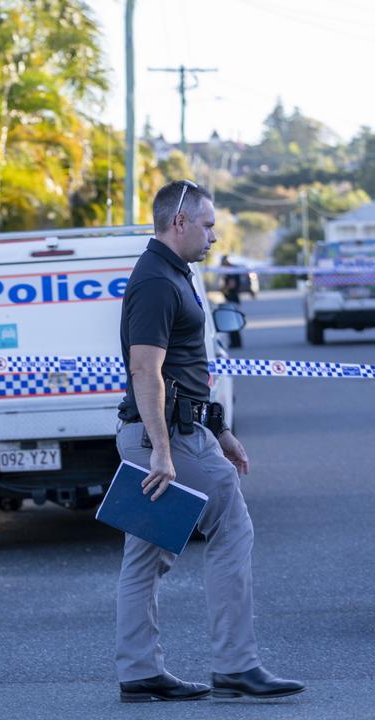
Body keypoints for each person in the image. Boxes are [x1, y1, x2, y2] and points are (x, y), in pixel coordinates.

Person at [114, 180, 303, 703]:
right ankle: (237, 666)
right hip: (169, 436)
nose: (214, 235)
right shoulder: (156, 280)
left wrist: (219, 429)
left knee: (145, 556)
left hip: (180, 429)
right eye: (208, 224)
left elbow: (187, 369)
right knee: (231, 527)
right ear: (179, 222)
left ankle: (138, 673)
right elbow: (145, 370)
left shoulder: (174, 274)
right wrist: (163, 449)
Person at [218, 255, 254, 348]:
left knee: (231, 321)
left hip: (232, 298)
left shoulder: (231, 271)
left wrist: (223, 289)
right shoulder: (232, 269)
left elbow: (232, 284)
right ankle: (236, 342)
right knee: (232, 320)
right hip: (233, 298)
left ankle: (236, 343)